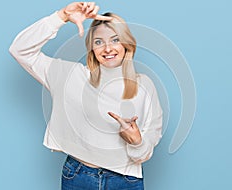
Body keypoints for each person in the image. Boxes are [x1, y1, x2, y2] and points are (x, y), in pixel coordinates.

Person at [9, 2, 163, 190]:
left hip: (125, 181)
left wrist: (136, 141)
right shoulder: (70, 76)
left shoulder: (144, 86)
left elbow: (146, 149)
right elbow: (19, 50)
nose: (107, 48)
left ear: (126, 44)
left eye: (115, 40)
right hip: (78, 177)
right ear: (91, 48)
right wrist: (61, 16)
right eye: (99, 42)